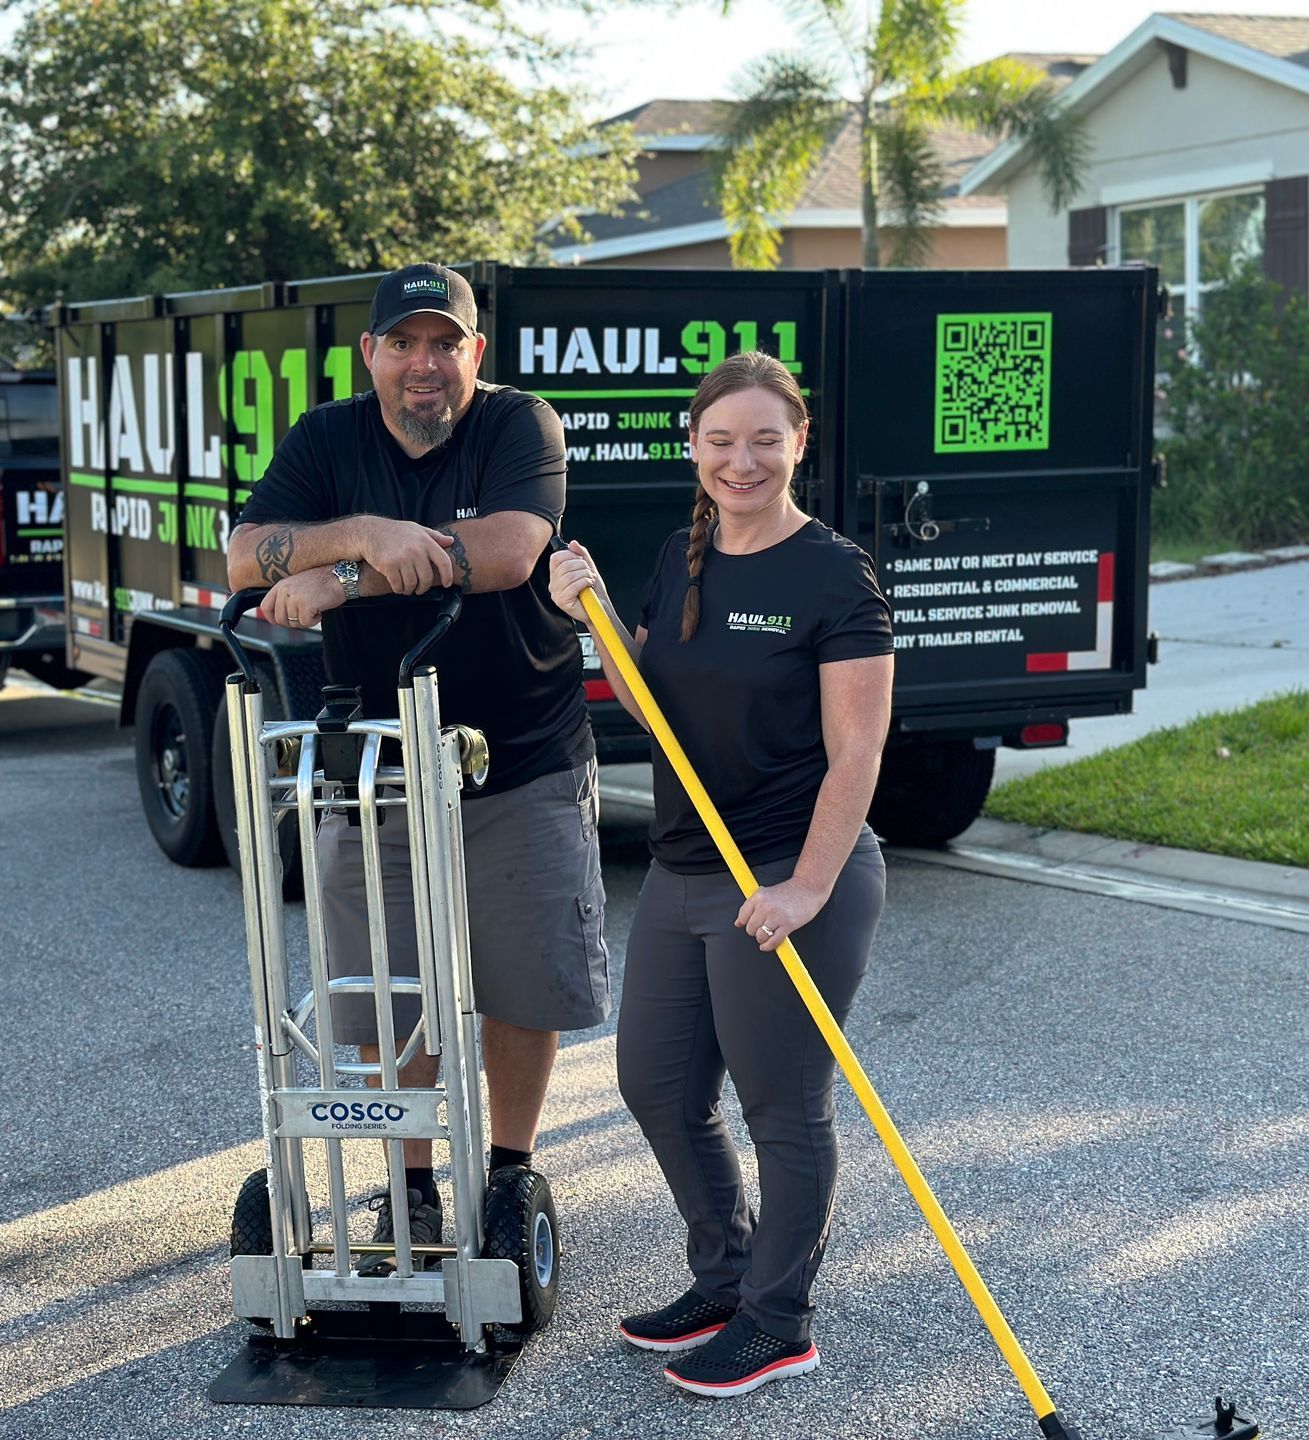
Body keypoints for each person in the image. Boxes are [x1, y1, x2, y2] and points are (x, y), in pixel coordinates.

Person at [227, 262, 610, 1272]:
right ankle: (412, 1184)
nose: (424, 364)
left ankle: (509, 1170)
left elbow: (508, 550)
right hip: (376, 763)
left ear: (476, 354)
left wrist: (341, 576)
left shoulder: (520, 425)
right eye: (404, 344)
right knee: (387, 990)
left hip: (517, 758)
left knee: (521, 983)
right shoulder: (327, 439)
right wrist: (361, 531)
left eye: (446, 343)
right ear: (373, 356)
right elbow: (241, 557)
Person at [547, 350, 892, 1398]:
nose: (742, 460)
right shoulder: (679, 556)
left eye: (765, 438)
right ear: (693, 446)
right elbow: (656, 713)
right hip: (689, 865)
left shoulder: (834, 573)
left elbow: (859, 752)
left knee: (782, 1106)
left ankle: (779, 1321)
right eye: (721, 439)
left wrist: (807, 888)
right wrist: (595, 618)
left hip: (790, 872)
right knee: (655, 1081)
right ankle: (728, 1274)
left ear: (799, 444)